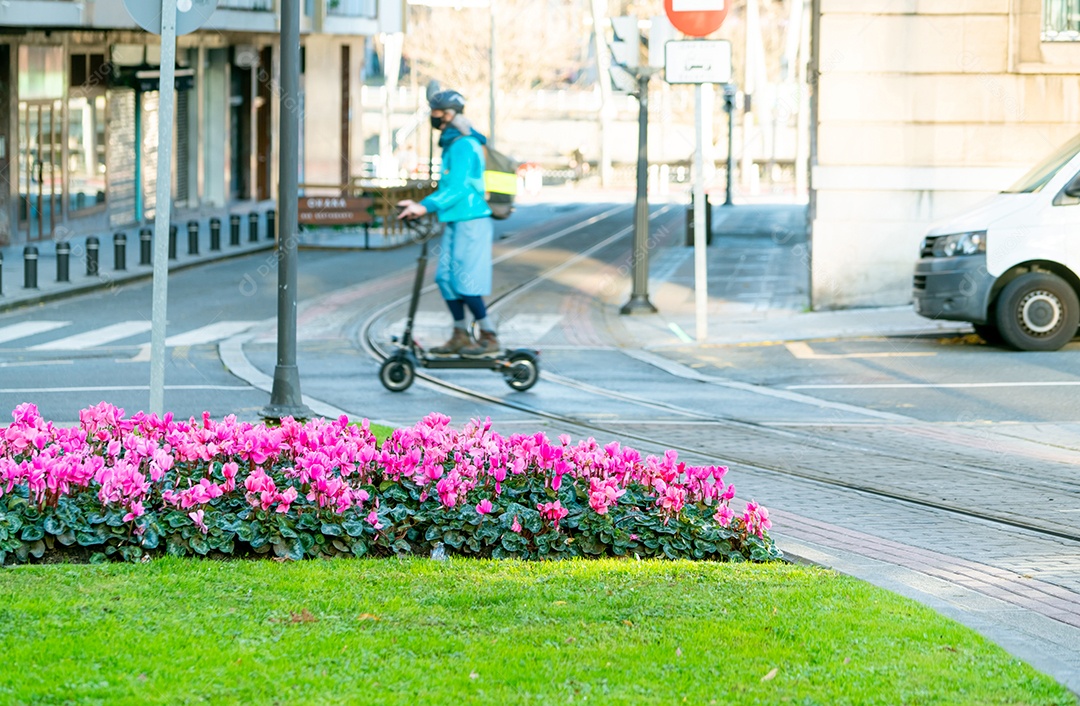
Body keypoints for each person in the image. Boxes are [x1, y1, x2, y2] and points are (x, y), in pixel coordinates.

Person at [398, 89, 500, 358]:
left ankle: (489, 336)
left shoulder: (465, 145)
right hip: (456, 219)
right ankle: (460, 334)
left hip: (472, 220)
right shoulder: (453, 144)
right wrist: (420, 205)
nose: (433, 117)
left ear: (451, 114)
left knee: (466, 282)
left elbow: (457, 188)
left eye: (438, 112)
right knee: (445, 278)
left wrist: (424, 206)